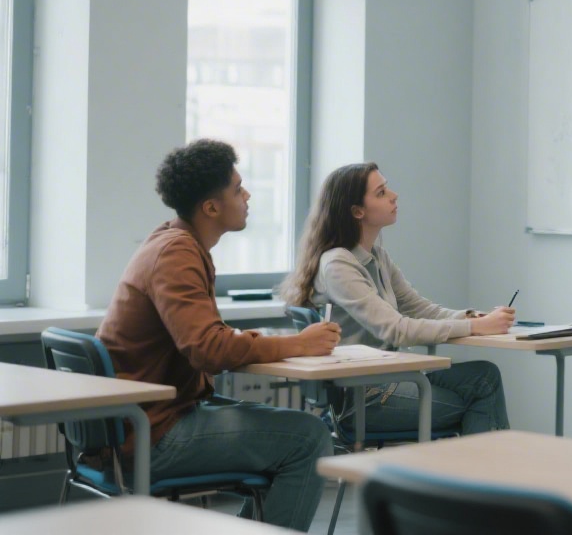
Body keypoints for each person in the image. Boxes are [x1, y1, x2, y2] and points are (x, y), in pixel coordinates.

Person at [97, 140, 340, 531]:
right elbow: (207, 349)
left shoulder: (173, 241)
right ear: (211, 207)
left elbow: (205, 336)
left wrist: (255, 339)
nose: (246, 196)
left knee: (292, 428)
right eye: (237, 188)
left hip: (140, 424)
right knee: (309, 437)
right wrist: (299, 343)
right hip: (151, 435)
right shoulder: (177, 254)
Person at [283, 162, 512, 436]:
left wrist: (474, 318)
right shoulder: (338, 265)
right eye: (381, 193)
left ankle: (474, 474)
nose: (394, 195)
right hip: (364, 397)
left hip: (391, 378)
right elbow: (396, 329)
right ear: (357, 211)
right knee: (479, 401)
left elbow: (418, 308)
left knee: (485, 376)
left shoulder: (377, 256)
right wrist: (476, 329)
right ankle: (479, 476)